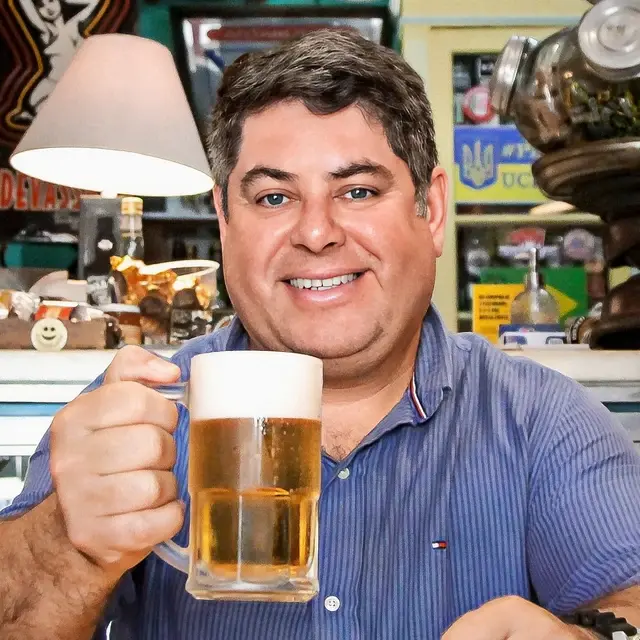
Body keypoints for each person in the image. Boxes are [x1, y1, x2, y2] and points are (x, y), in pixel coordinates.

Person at [1, 29, 640, 640]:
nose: (316, 233)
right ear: (224, 220)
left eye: (357, 191)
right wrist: (62, 545)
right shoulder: (131, 415)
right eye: (273, 198)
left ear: (432, 212)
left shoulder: (541, 420)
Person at [14, 0, 99, 123]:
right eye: (41, 6)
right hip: (52, 85)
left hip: (78, 83)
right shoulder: (47, 33)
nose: (48, 8)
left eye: (51, 0)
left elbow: (94, 3)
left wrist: (68, 1)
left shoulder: (73, 25)